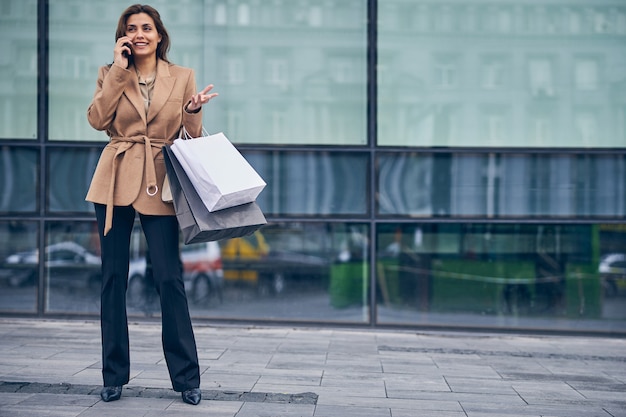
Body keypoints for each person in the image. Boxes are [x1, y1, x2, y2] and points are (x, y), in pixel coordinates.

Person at [85, 4, 218, 405]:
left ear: (159, 35)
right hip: (114, 180)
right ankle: (113, 375)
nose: (139, 33)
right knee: (112, 279)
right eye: (131, 29)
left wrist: (192, 111)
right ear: (123, 37)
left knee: (169, 279)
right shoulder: (110, 74)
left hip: (159, 183)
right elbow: (96, 119)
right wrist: (118, 69)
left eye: (146, 28)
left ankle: (187, 379)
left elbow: (189, 134)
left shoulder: (182, 77)